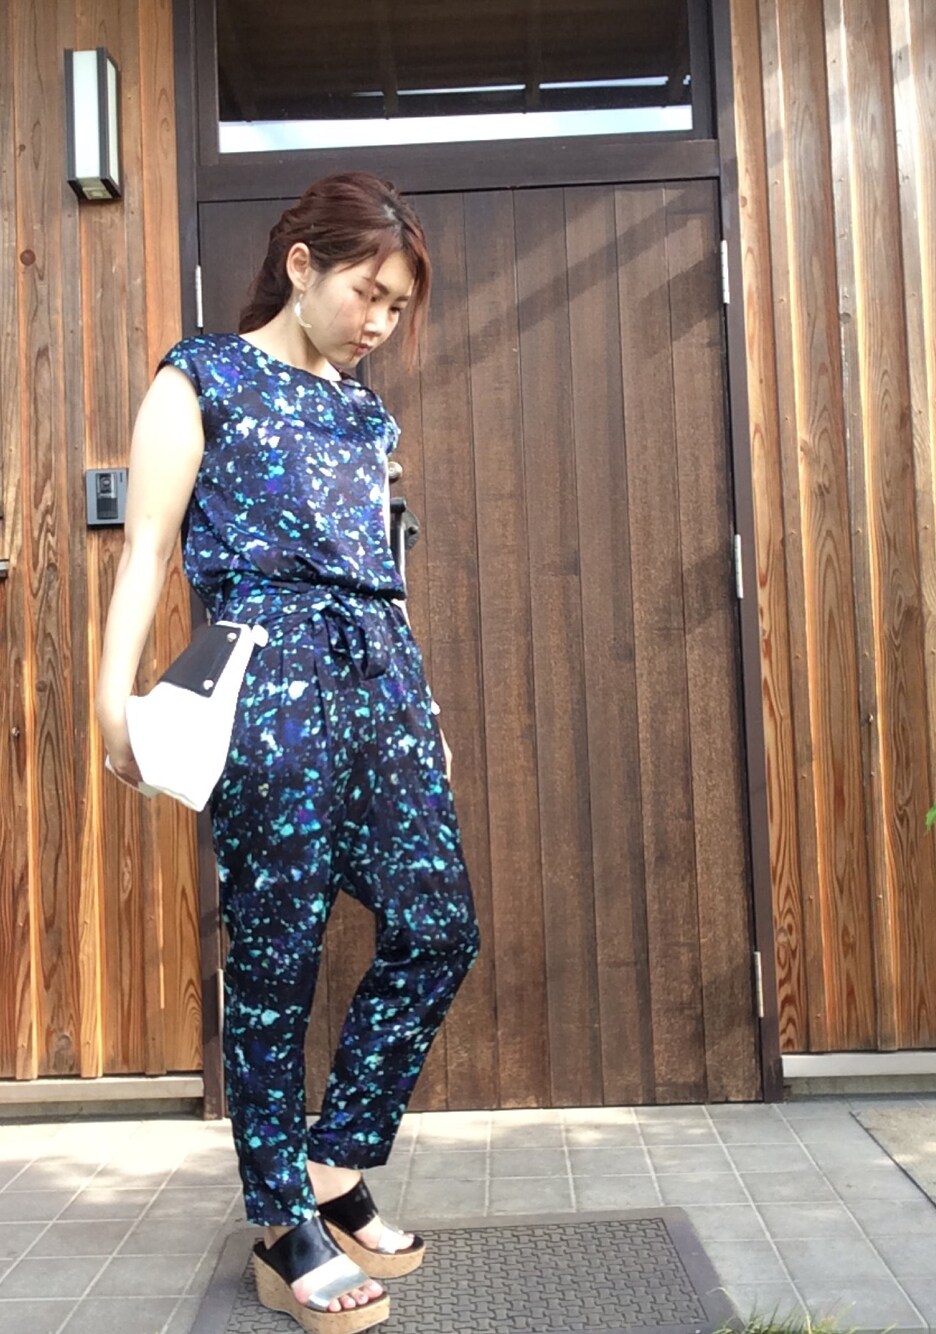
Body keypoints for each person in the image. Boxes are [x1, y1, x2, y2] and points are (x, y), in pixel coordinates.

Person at [96, 172, 480, 1333]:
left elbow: (379, 571)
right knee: (275, 954)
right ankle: (283, 1219)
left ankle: (331, 1162)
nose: (381, 322)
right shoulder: (200, 376)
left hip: (380, 679)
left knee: (438, 925)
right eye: (369, 292)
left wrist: (421, 707)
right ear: (302, 264)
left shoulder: (365, 412)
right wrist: (113, 700)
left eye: (398, 307)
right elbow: (147, 547)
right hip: (267, 680)